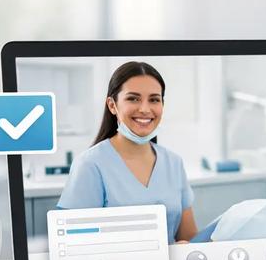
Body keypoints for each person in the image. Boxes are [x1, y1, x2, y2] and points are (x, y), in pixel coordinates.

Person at [57, 61, 197, 244]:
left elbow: (189, 238)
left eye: (154, 99)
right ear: (112, 105)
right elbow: (74, 245)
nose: (145, 109)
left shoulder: (174, 163)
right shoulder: (90, 165)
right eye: (133, 99)